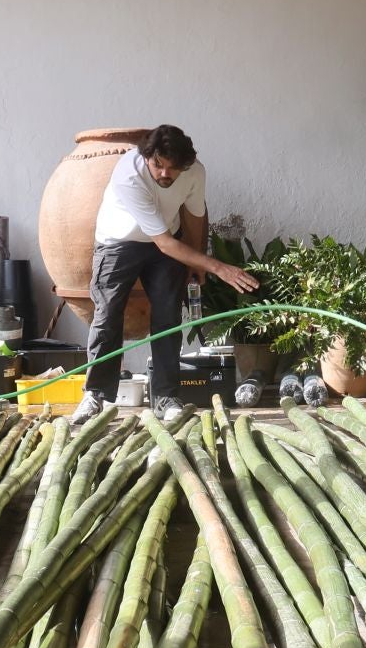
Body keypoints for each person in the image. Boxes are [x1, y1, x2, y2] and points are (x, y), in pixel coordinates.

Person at [70, 125, 261, 425]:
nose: (164, 174)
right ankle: (95, 395)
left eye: (172, 169)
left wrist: (196, 261)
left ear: (185, 165)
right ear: (147, 156)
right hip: (119, 241)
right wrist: (218, 266)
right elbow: (164, 243)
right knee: (108, 315)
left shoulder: (195, 172)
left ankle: (166, 398)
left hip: (165, 242)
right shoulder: (129, 174)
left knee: (168, 318)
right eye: (158, 165)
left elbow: (195, 216)